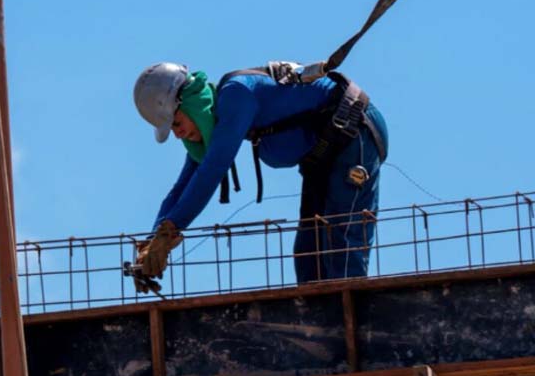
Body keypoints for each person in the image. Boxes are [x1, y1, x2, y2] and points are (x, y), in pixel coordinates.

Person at [132, 62, 388, 288]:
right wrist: (154, 239)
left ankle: (354, 324)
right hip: (323, 155)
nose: (178, 134)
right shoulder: (217, 122)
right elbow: (182, 186)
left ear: (189, 102)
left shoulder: (236, 94)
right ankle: (323, 329)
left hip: (353, 132)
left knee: (342, 245)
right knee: (309, 256)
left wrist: (171, 230)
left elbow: (213, 169)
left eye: (176, 123)